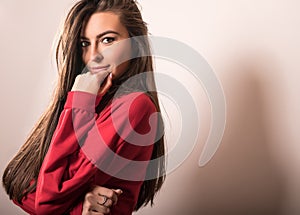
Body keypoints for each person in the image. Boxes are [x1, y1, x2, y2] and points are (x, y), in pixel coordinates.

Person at [2, 0, 166, 214]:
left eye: (108, 40)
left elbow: (46, 200)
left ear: (135, 44)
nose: (93, 56)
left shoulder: (134, 106)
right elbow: (20, 186)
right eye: (84, 43)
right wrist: (80, 205)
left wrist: (79, 102)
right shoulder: (95, 100)